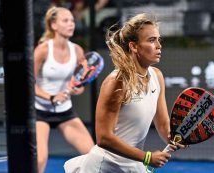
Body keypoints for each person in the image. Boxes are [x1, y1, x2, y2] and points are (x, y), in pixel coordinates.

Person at [64, 13, 185, 173]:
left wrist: (174, 137)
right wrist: (147, 157)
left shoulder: (157, 76)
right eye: (151, 40)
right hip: (104, 166)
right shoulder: (116, 82)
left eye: (158, 39)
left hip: (133, 164)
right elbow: (104, 138)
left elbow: (163, 124)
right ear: (134, 46)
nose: (158, 45)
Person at [34, 6, 94, 173]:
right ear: (54, 25)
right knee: (39, 160)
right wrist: (51, 97)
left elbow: (80, 84)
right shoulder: (43, 49)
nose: (71, 24)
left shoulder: (77, 50)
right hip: (40, 112)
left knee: (93, 156)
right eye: (65, 20)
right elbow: (28, 83)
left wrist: (76, 90)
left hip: (65, 112)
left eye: (72, 21)